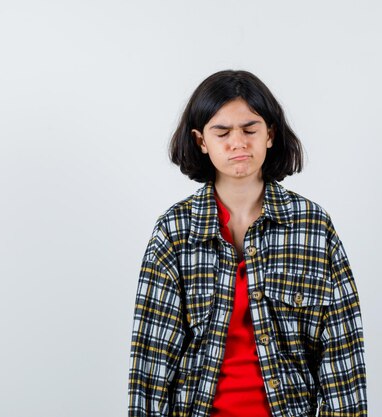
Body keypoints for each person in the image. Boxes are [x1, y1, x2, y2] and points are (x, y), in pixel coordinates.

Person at [127, 70, 367, 417]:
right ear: (201, 141)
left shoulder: (313, 227)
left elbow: (342, 358)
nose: (237, 142)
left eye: (250, 129)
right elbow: (151, 362)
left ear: (270, 134)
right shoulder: (174, 231)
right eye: (222, 132)